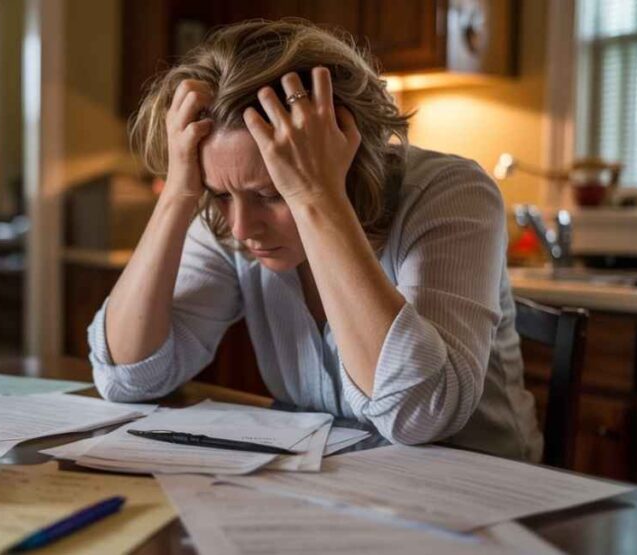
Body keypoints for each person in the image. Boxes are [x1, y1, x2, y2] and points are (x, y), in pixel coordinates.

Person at [87, 20, 542, 462]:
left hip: (485, 496)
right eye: (220, 194)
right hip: (331, 487)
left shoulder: (451, 193)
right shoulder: (229, 218)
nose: (243, 229)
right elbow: (128, 378)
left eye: (270, 194)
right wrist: (179, 195)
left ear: (345, 154)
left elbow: (419, 414)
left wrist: (315, 195)